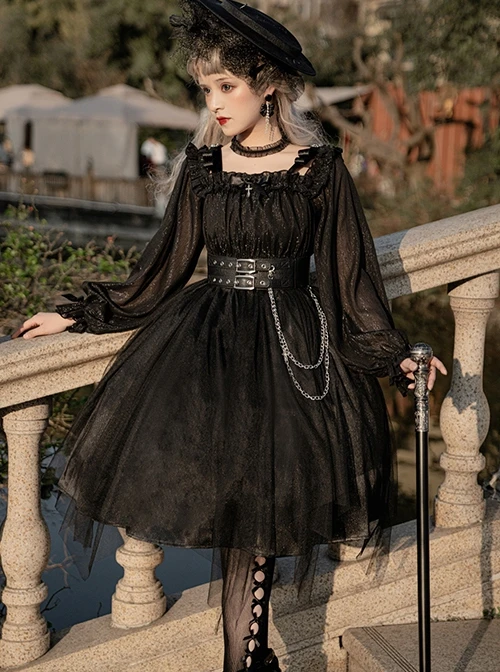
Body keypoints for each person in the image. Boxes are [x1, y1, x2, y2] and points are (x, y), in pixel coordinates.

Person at [18, 1, 446, 670]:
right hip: (211, 353)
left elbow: (351, 278)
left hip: (292, 357)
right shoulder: (203, 168)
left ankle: (243, 660)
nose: (214, 103)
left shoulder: (319, 169)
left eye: (226, 86)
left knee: (262, 522)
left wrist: (395, 359)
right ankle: (248, 660)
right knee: (236, 517)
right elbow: (161, 269)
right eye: (206, 89)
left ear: (267, 86)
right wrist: (79, 313)